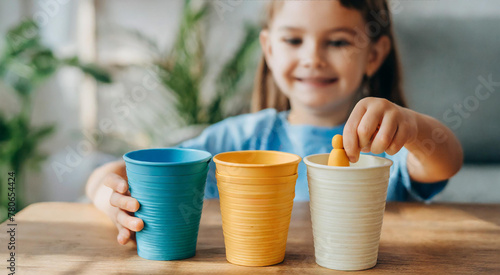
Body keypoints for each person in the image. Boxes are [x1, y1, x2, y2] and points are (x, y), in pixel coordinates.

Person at [85, 0, 463, 246]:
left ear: (374, 54)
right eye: (294, 40)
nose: (313, 58)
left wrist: (413, 128)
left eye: (338, 43)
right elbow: (113, 171)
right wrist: (110, 197)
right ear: (268, 49)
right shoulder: (237, 138)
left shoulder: (386, 141)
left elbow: (444, 161)